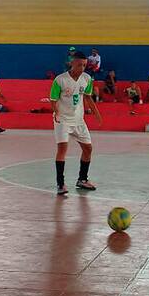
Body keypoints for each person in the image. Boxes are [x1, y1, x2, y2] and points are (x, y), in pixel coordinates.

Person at [50, 51, 103, 195]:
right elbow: (53, 100)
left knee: (88, 149)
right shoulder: (60, 80)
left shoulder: (87, 79)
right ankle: (60, 184)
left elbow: (88, 97)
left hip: (79, 121)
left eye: (85, 65)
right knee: (62, 149)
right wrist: (56, 112)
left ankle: (82, 179)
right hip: (63, 120)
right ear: (71, 63)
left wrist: (97, 113)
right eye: (79, 65)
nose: (82, 68)